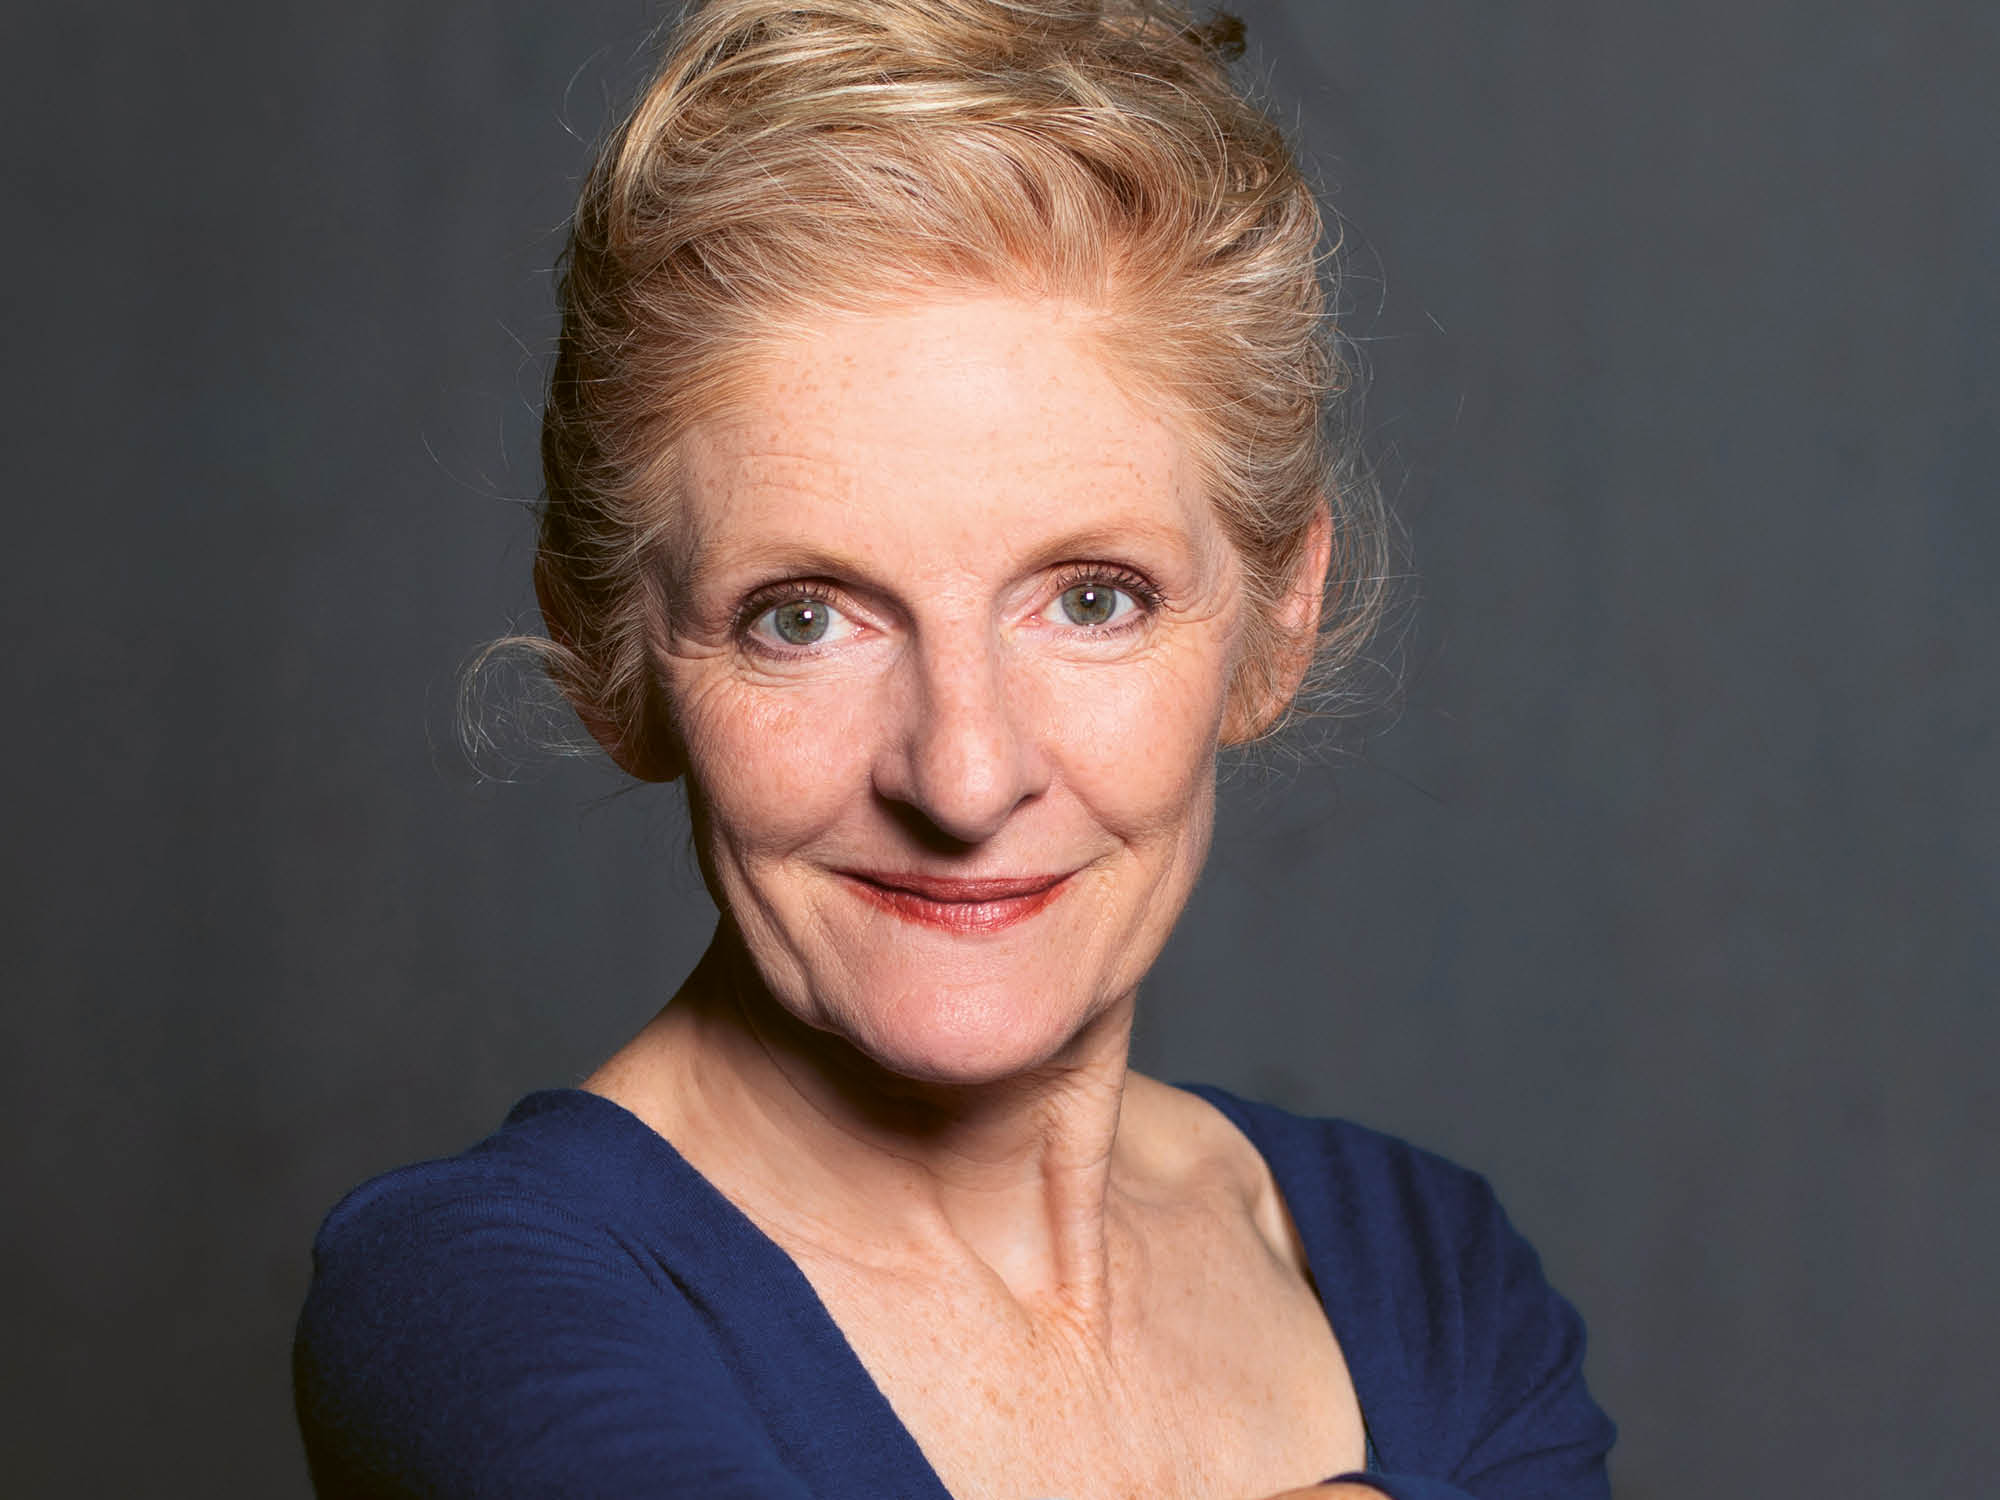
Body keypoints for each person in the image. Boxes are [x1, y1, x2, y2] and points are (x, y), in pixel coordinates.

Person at [294, 3, 1616, 1497]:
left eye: (1094, 599)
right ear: (616, 660)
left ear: (1278, 619)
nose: (964, 778)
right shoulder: (474, 1307)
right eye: (803, 618)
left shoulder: (1436, 1286)